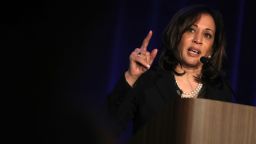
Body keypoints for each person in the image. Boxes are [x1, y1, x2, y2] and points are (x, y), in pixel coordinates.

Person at [106, 4, 234, 139]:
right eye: (191, 30)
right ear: (177, 36)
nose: (198, 40)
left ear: (212, 49)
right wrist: (131, 77)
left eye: (207, 35)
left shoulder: (221, 91)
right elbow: (108, 127)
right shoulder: (149, 80)